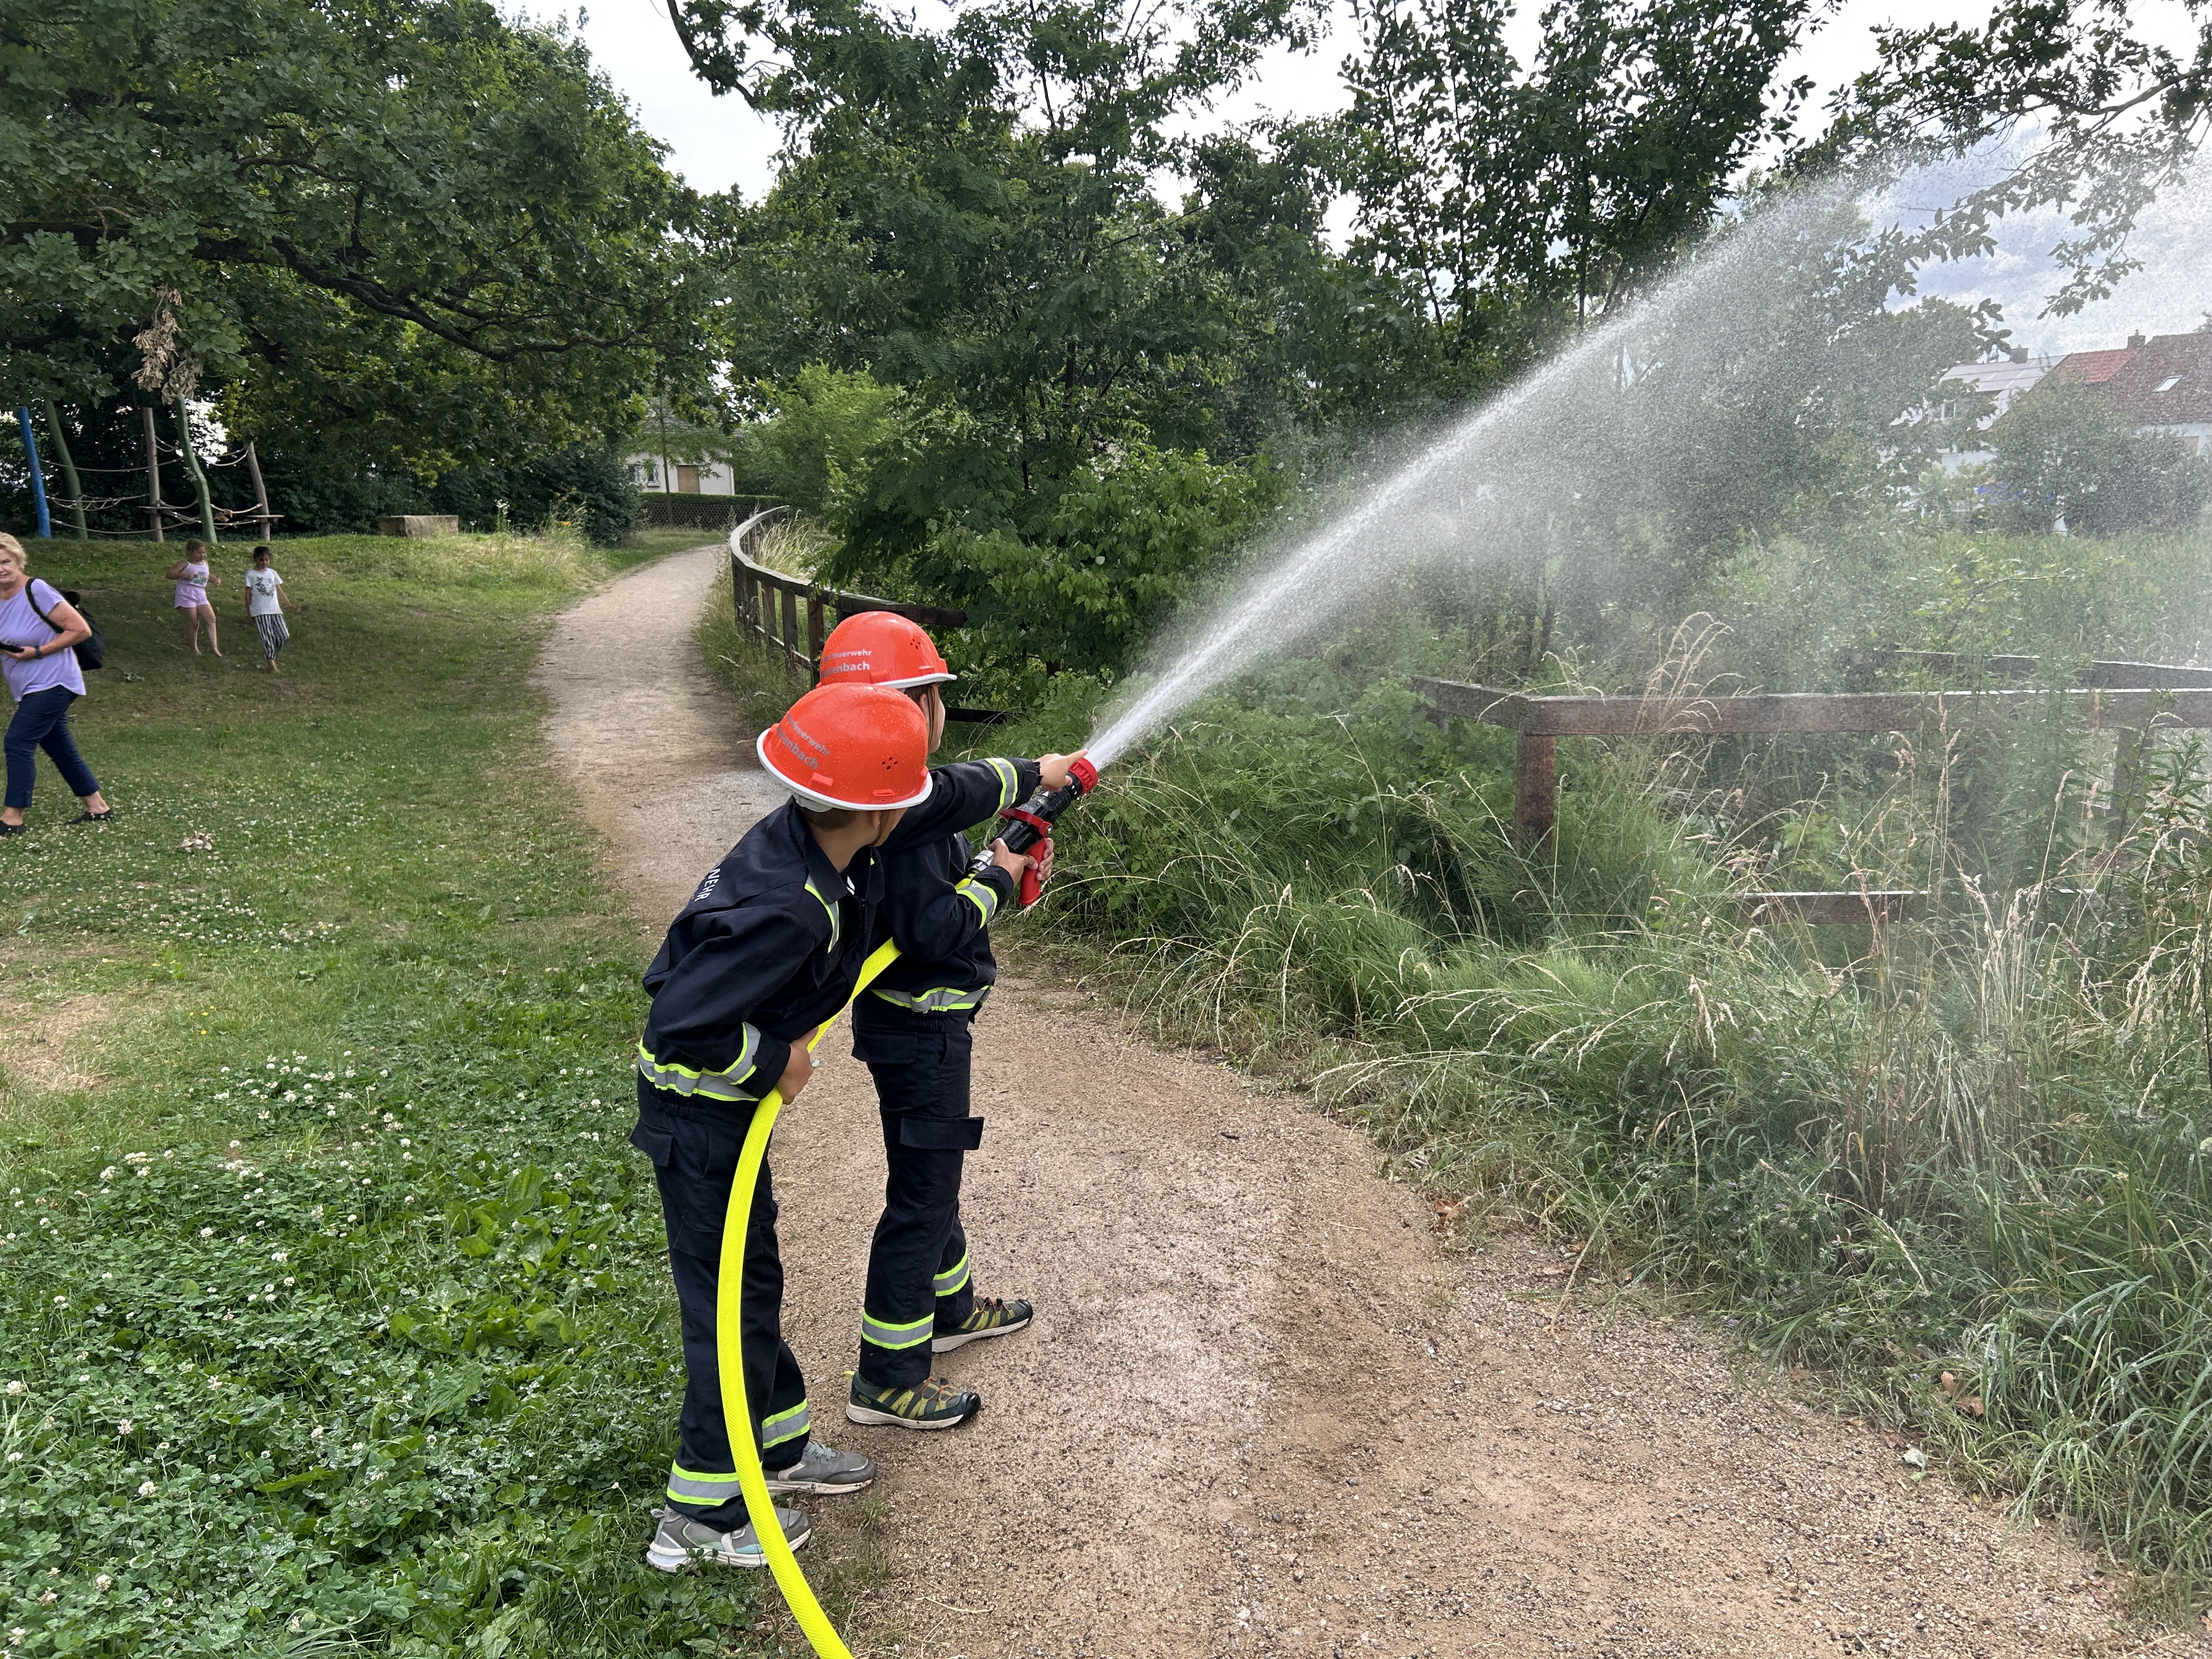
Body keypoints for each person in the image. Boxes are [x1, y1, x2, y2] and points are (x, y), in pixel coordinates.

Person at [631, 681, 930, 1573]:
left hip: (719, 1121)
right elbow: (677, 1020)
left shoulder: (808, 850)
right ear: (875, 816)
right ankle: (698, 1513)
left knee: (753, 1280)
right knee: (725, 1305)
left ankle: (777, 1447)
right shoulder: (787, 904)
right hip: (702, 1120)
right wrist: (773, 1058)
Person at [815, 610, 1086, 1431]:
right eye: (932, 694)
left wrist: (986, 857)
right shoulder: (895, 803)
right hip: (921, 1027)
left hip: (918, 1028)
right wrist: (998, 879)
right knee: (922, 1193)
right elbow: (931, 931)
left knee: (934, 1172)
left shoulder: (886, 794)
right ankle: (889, 1377)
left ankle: (951, 1304)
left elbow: (933, 878)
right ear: (913, 705)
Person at [0, 533, 112, 836]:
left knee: (17, 742)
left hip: (55, 682)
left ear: (18, 560)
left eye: (5, 561)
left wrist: (38, 652)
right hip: (28, 686)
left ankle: (13, 818)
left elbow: (80, 630)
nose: (1, 569)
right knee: (59, 746)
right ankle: (98, 807)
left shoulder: (37, 590)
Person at [241, 545, 297, 672]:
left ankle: (268, 652)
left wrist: (289, 604)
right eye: (261, 560)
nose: (264, 563)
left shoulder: (272, 573)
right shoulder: (251, 574)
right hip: (260, 611)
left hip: (275, 610)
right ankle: (272, 666)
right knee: (268, 638)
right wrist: (249, 613)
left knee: (284, 635)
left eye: (266, 560)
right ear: (255, 560)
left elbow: (280, 591)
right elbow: (247, 595)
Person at [167, 538, 220, 656]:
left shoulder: (205, 564)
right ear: (190, 553)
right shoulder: (185, 564)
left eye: (204, 552)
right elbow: (170, 574)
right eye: (199, 553)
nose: (202, 555)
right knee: (194, 622)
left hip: (201, 594)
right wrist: (183, 575)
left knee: (211, 619)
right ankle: (194, 649)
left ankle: (214, 647)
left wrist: (214, 579)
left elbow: (205, 574)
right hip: (186, 593)